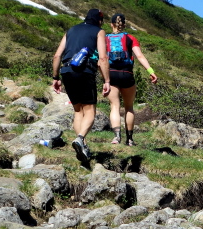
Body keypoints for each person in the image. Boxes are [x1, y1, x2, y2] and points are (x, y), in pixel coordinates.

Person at [52, 8, 110, 163]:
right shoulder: (99, 32)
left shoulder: (71, 30)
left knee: (78, 110)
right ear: (99, 20)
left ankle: (82, 146)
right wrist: (107, 81)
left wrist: (55, 77)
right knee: (90, 110)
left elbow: (57, 55)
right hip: (85, 71)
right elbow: (103, 58)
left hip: (66, 71)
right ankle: (80, 138)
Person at [105, 13, 157, 146]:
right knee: (129, 107)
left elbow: (101, 58)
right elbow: (139, 56)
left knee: (114, 106)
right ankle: (129, 139)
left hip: (111, 74)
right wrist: (150, 71)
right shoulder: (130, 38)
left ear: (111, 24)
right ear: (124, 25)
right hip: (127, 74)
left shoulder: (105, 39)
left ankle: (116, 137)